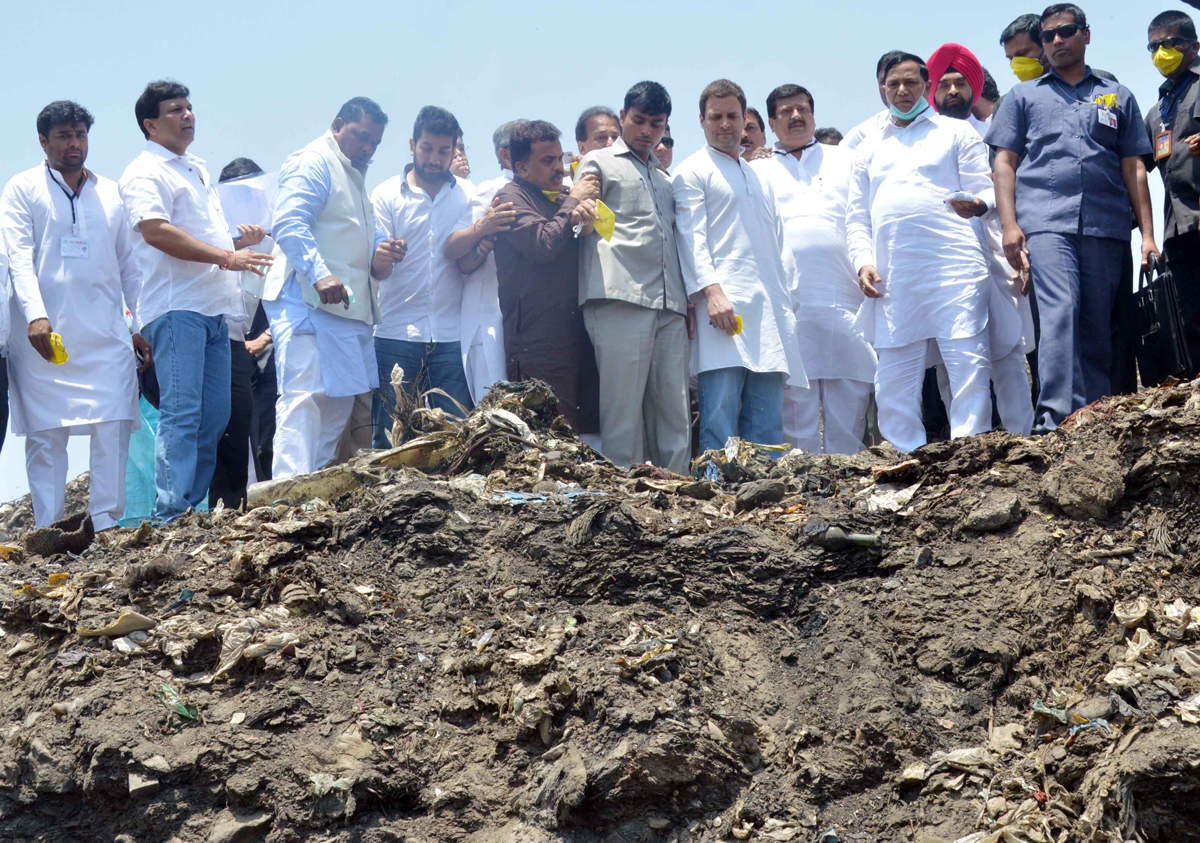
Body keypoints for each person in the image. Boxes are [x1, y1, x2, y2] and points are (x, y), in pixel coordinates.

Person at [988, 4, 1158, 433]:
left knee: (1097, 322)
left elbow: (1134, 166)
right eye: (1049, 36)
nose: (1057, 41)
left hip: (1106, 224)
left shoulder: (1116, 95)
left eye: (1066, 32)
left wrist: (1149, 237)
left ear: (1085, 34)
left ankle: (1095, 415)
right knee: (1061, 312)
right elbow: (1004, 162)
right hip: (1045, 222)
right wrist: (1010, 225)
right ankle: (1054, 418)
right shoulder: (1023, 97)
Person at [118, 81, 272, 522]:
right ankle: (171, 515)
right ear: (150, 124)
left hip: (215, 310)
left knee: (216, 416)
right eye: (175, 110)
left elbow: (203, 233)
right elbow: (156, 231)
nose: (188, 115)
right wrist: (228, 256)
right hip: (175, 308)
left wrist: (236, 240)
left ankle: (191, 510)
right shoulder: (145, 171)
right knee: (183, 414)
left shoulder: (196, 168)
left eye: (189, 107)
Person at [0, 101, 146, 529]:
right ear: (43, 141)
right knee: (47, 434)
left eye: (80, 134)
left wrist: (139, 323)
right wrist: (35, 316)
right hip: (43, 336)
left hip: (106, 332)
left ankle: (104, 522)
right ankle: (48, 528)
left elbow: (130, 265)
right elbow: (18, 260)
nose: (74, 143)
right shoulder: (22, 188)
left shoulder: (111, 192)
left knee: (113, 423)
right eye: (63, 135)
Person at [846, 53, 996, 453]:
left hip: (955, 267)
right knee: (894, 375)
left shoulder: (956, 133)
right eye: (893, 83)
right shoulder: (867, 147)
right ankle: (903, 455)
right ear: (882, 89)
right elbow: (857, 218)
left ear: (927, 86)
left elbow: (987, 189)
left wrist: (979, 205)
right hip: (894, 274)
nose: (902, 90)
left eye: (911, 82)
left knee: (968, 362)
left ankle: (971, 452)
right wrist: (863, 262)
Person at [260, 97, 406, 477]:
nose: (368, 148)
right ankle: (285, 494)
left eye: (375, 142)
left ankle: (309, 493)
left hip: (347, 311)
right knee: (304, 400)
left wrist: (381, 252)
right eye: (361, 137)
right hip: (306, 302)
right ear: (338, 124)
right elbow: (290, 222)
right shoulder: (313, 161)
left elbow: (355, 236)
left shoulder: (354, 174)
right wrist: (319, 272)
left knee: (337, 405)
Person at [673, 79, 806, 453]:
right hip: (722, 312)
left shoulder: (756, 175)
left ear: (744, 118)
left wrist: (788, 305)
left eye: (733, 116)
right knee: (719, 422)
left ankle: (760, 504)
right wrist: (712, 294)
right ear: (702, 120)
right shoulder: (692, 171)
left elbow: (780, 246)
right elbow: (690, 237)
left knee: (766, 426)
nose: (726, 124)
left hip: (768, 316)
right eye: (716, 116)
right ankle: (716, 502)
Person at [751, 84, 875, 454]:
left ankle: (851, 498)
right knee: (796, 420)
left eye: (802, 108)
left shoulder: (846, 160)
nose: (795, 116)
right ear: (771, 124)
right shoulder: (758, 172)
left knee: (848, 417)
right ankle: (803, 504)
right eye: (785, 111)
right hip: (791, 312)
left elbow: (863, 220)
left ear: (814, 115)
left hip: (845, 304)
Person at [574, 81, 690, 473]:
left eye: (656, 124)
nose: (646, 131)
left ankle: (680, 500)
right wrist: (580, 210)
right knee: (622, 414)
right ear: (622, 117)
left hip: (669, 304)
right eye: (638, 120)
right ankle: (624, 511)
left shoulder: (663, 177)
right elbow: (582, 219)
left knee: (674, 414)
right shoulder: (599, 162)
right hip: (620, 298)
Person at [928, 44, 1035, 437]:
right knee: (948, 356)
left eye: (960, 82)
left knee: (1006, 349)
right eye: (944, 83)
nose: (952, 90)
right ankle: (967, 444)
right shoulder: (924, 140)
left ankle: (1020, 437)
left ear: (974, 88)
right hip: (942, 261)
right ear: (932, 91)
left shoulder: (995, 134)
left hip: (994, 250)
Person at [489, 120, 602, 447]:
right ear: (520, 167)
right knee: (545, 442)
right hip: (537, 343)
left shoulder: (557, 197)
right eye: (547, 161)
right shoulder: (510, 198)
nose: (558, 168)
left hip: (574, 335)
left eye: (559, 159)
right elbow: (542, 245)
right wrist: (572, 203)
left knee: (583, 434)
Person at [369, 106, 474, 447]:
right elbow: (378, 270)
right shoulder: (385, 195)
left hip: (452, 334)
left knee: (456, 435)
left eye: (445, 151)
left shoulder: (468, 195)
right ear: (412, 144)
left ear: (454, 151)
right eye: (427, 148)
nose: (435, 158)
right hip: (396, 332)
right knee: (389, 438)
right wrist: (383, 256)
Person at [208, 157, 272, 509]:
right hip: (216, 337)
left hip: (249, 349)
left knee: (244, 433)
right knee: (211, 429)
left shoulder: (274, 236)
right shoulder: (213, 232)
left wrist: (265, 338)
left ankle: (234, 508)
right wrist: (232, 246)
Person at [444, 120, 522, 405]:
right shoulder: (493, 189)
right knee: (494, 412)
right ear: (506, 154)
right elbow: (455, 252)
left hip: (526, 323)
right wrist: (485, 229)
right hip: (488, 320)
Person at [1145, 9, 1200, 378]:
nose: (1162, 52)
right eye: (1154, 46)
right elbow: (1134, 171)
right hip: (1177, 232)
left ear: (1194, 46)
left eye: (1170, 43)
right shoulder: (1156, 112)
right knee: (1190, 318)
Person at [842, 50, 906, 150]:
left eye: (907, 81)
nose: (891, 88)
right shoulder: (860, 138)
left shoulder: (937, 127)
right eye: (884, 81)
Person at [1001, 14, 1052, 81]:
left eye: (1021, 54)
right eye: (1010, 59)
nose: (1016, 63)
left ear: (1046, 46)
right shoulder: (1018, 91)